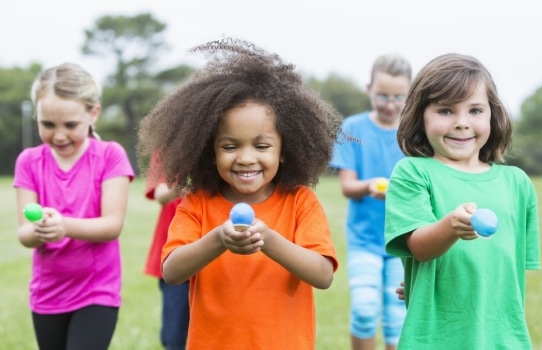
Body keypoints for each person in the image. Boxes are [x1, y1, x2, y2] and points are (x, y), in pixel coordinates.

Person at [137, 37, 342, 350]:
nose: (246, 158)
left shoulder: (301, 202)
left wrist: (269, 240)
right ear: (210, 152)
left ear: (285, 150)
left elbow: (323, 274)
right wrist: (218, 239)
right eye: (230, 146)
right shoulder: (197, 203)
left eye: (261, 146)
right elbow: (172, 271)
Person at [384, 53, 541, 349]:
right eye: (445, 111)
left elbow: (506, 271)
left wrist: (428, 284)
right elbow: (419, 247)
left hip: (504, 339)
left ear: (493, 115)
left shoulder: (517, 183)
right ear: (421, 116)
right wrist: (450, 228)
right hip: (434, 339)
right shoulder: (413, 172)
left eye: (475, 110)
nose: (461, 123)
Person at [13, 62, 135, 350]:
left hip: (97, 291)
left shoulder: (110, 156)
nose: (58, 135)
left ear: (93, 113)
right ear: (37, 116)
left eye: (70, 125)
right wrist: (42, 229)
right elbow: (24, 234)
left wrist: (64, 226)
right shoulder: (28, 161)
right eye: (47, 124)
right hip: (47, 294)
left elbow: (111, 226)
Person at [330, 53, 412, 350]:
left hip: (403, 240)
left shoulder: (414, 133)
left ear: (410, 94)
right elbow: (348, 186)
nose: (390, 104)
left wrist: (397, 191)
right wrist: (372, 186)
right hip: (364, 239)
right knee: (364, 310)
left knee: (397, 317)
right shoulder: (353, 128)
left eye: (398, 97)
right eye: (382, 95)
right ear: (369, 90)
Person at [144, 155, 190, 350]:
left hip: (221, 254)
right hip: (174, 253)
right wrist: (194, 181)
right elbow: (161, 194)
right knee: (175, 336)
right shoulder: (168, 146)